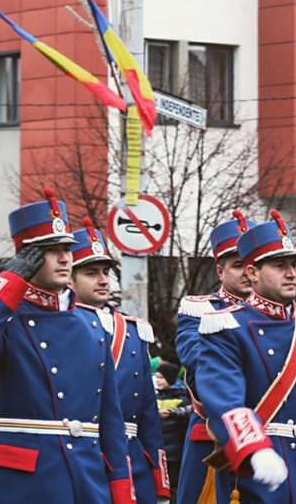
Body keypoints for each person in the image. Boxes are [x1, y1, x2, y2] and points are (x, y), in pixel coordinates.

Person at [0, 187, 134, 502]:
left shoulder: (92, 325)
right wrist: (9, 280)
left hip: (84, 479)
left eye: (67, 248)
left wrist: (121, 489)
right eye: (51, 250)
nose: (65, 258)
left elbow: (111, 421)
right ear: (27, 258)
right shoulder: (7, 319)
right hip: (21, 483)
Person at [195, 209, 296, 502]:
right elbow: (224, 397)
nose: (291, 273)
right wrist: (254, 449)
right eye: (279, 265)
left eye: (295, 265)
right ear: (252, 272)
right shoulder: (226, 325)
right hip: (259, 468)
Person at [71, 218, 170, 504]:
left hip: (133, 459)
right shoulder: (60, 325)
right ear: (70, 277)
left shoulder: (134, 330)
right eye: (91, 273)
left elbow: (148, 413)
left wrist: (159, 482)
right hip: (82, 454)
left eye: (106, 272)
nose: (103, 280)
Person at [174, 210, 253, 504]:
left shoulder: (288, 318)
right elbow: (196, 360)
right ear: (220, 271)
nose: (247, 272)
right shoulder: (201, 309)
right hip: (214, 435)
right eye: (237, 266)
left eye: (252, 265)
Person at [153, 362, 191, 503]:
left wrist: (172, 413)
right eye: (156, 377)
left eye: (161, 377)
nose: (158, 380)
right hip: (159, 450)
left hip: (175, 451)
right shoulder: (154, 397)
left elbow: (188, 412)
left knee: (174, 484)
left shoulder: (181, 397)